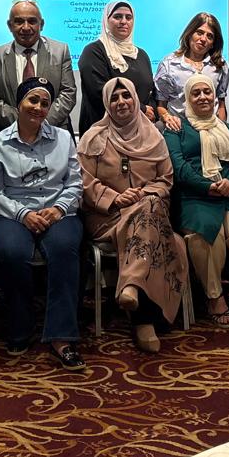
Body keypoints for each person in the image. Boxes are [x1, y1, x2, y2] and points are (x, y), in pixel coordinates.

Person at [77, 77, 184, 354]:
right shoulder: (93, 138)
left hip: (148, 211)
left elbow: (166, 180)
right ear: (106, 103)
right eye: (114, 98)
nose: (121, 102)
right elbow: (83, 183)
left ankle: (132, 289)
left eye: (126, 96)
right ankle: (143, 321)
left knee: (148, 212)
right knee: (154, 226)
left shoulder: (154, 137)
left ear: (136, 99)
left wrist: (143, 194)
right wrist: (115, 198)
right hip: (108, 217)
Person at [0, 76, 86, 370]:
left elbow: (75, 183)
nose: (38, 107)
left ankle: (62, 336)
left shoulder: (64, 138)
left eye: (45, 103)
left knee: (65, 249)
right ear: (19, 104)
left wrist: (59, 209)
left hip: (57, 211)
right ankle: (20, 327)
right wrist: (23, 215)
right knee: (12, 252)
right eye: (32, 100)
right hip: (13, 214)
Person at [164, 74, 229, 327]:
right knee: (207, 235)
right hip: (196, 196)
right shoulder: (177, 130)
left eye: (207, 92)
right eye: (195, 93)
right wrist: (207, 186)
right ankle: (214, 296)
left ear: (214, 96)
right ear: (187, 98)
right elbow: (178, 167)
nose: (202, 97)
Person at [0, 0, 77, 133]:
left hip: (54, 132)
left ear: (41, 24)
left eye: (32, 21)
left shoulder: (60, 51)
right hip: (8, 135)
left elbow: (68, 93)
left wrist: (42, 122)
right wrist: (23, 123)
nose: (25, 27)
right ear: (10, 25)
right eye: (19, 21)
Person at [77, 0, 156, 133]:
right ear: (106, 20)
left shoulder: (141, 55)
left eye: (128, 17)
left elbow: (151, 91)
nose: (124, 21)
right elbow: (100, 93)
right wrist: (141, 109)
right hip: (105, 131)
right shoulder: (94, 51)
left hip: (141, 129)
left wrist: (151, 112)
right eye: (117, 16)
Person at [156, 12, 229, 133]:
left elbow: (221, 104)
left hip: (211, 129)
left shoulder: (219, 65)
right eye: (199, 33)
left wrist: (223, 131)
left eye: (209, 36)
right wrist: (167, 118)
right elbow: (161, 105)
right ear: (189, 34)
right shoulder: (168, 64)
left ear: (213, 44)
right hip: (180, 130)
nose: (203, 39)